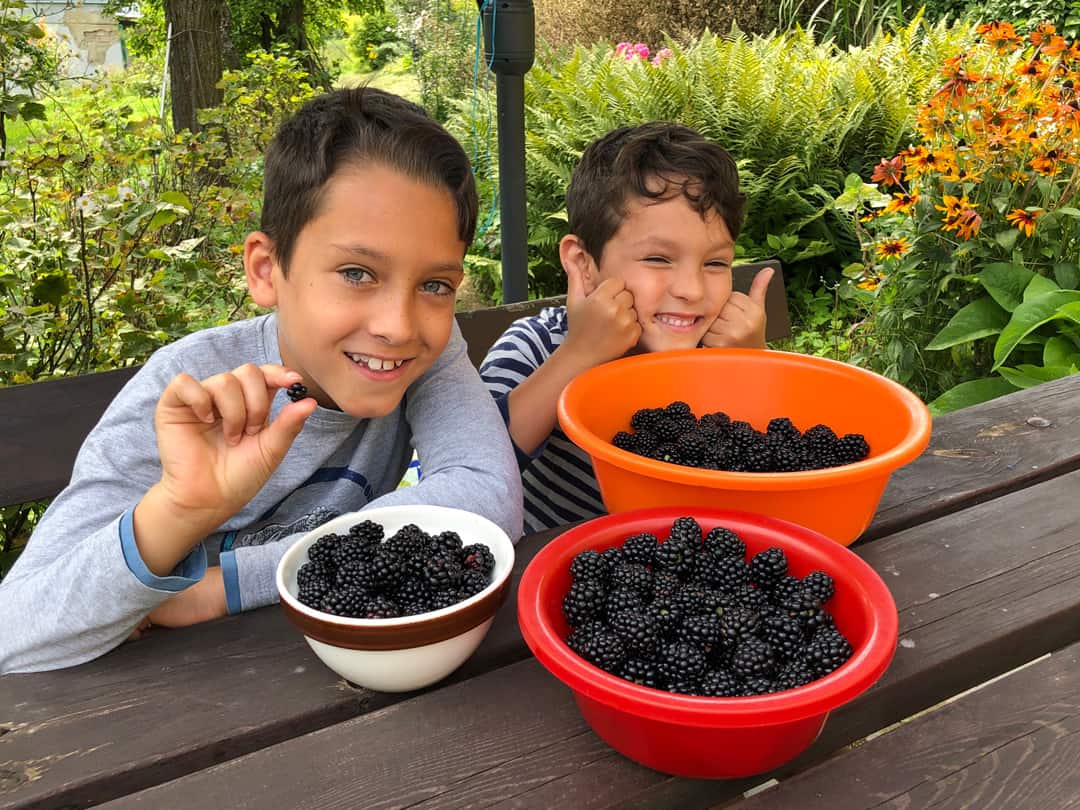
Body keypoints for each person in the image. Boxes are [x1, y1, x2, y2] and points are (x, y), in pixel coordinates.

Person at [0, 88, 523, 673]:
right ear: (266, 270)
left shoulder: (433, 349)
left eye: (435, 285)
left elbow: (489, 494)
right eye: (357, 273)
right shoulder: (187, 393)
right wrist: (178, 511)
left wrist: (225, 586)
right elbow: (13, 630)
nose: (398, 326)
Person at [480, 122, 772, 534]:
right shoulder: (536, 346)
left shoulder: (719, 352)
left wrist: (751, 365)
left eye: (715, 263)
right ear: (583, 263)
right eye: (657, 259)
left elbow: (772, 461)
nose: (691, 290)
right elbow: (477, 470)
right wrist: (578, 355)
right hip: (554, 568)